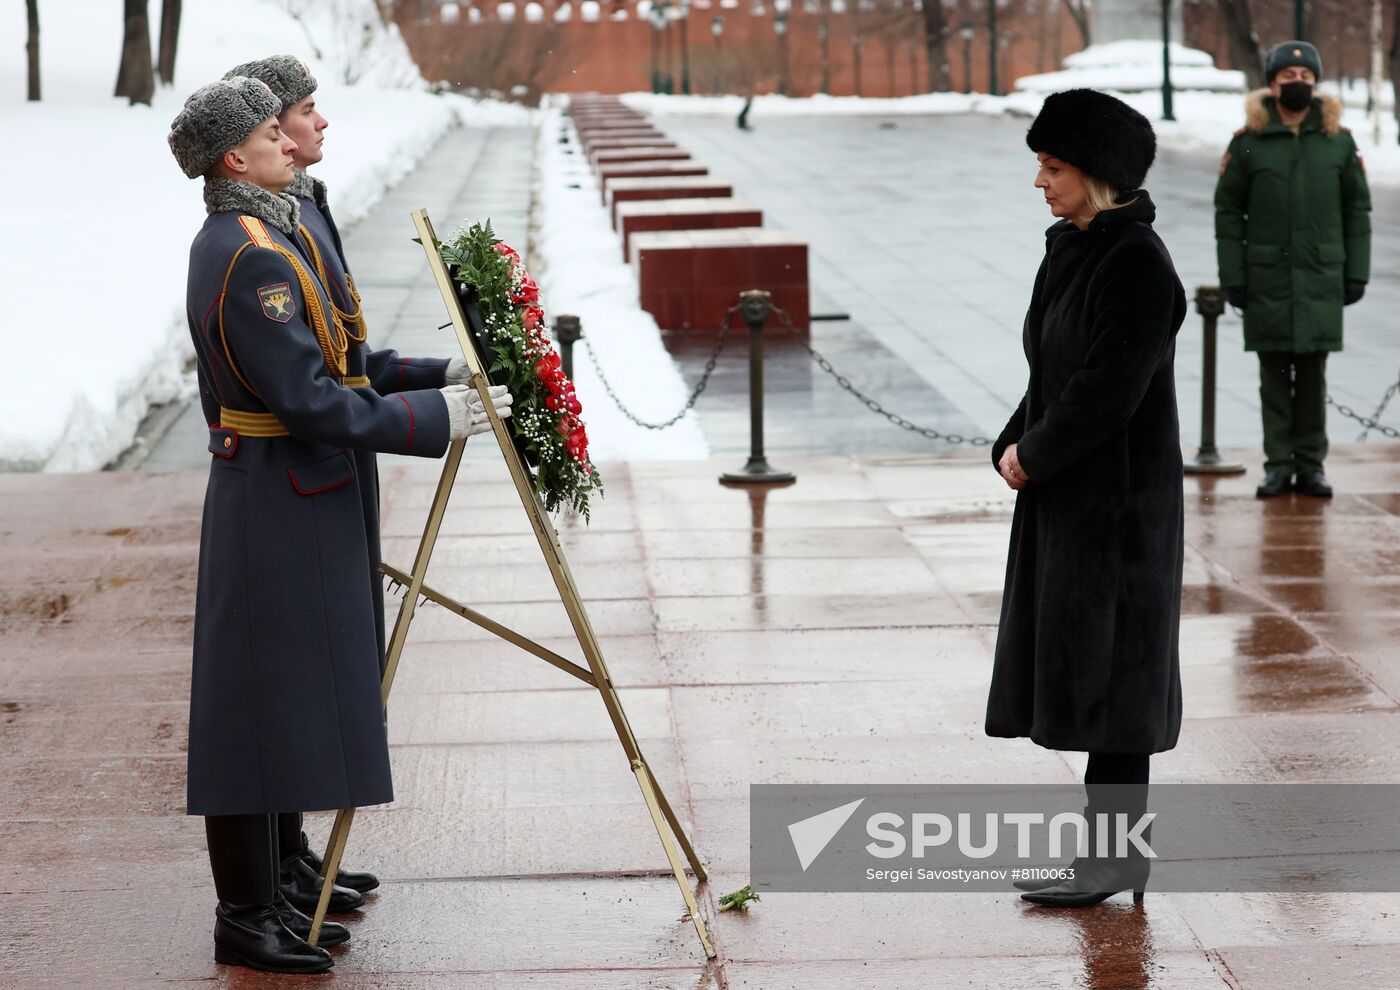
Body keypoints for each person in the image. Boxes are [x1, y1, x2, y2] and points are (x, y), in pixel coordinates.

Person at [168, 76, 510, 973]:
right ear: (233, 157)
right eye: (266, 131)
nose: (290, 134)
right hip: (272, 494)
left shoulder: (265, 232)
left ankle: (276, 886)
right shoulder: (248, 255)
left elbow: (343, 363)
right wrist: (435, 421)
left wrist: (437, 382)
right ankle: (245, 912)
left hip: (293, 490)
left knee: (281, 698)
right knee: (253, 709)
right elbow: (312, 399)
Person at [987, 88, 1186, 907]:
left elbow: (1110, 388)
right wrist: (1012, 439)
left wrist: (1034, 454)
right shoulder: (1071, 248)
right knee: (1092, 681)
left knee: (1117, 689)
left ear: (1097, 174)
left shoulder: (1136, 261)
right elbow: (1055, 371)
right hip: (1074, 499)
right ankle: (1105, 857)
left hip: (1120, 511)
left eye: (1053, 165)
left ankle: (1115, 860)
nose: (1040, 181)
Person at [1215, 41, 1371, 499]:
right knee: (1274, 377)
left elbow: (1356, 209)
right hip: (1268, 277)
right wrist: (1234, 276)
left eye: (1305, 78)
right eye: (1288, 78)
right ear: (1272, 84)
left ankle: (1312, 467)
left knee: (1313, 375)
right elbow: (1228, 211)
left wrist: (1355, 272)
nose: (1298, 84)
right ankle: (1278, 466)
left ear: (1315, 84)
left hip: (1321, 275)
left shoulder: (1338, 141)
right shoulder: (1248, 143)